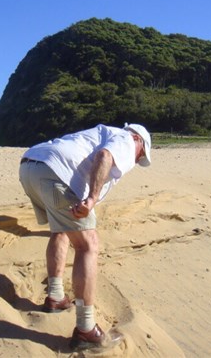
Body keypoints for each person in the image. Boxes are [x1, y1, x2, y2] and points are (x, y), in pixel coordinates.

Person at [18, 123, 151, 350]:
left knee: (60, 229)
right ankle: (86, 329)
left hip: (31, 165)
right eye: (141, 156)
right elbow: (105, 155)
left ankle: (56, 297)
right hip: (54, 172)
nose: (137, 161)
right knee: (88, 245)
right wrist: (92, 198)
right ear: (138, 140)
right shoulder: (127, 139)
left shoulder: (100, 133)